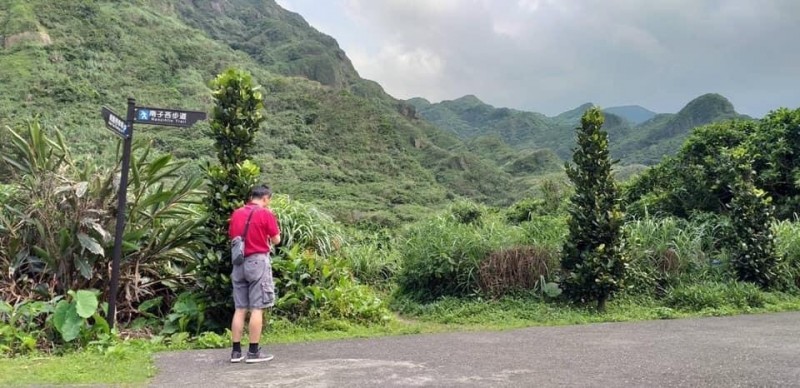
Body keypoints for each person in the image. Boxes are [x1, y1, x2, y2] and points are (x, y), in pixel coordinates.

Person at [227, 185, 281, 363]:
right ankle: (253, 352)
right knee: (257, 307)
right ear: (265, 198)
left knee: (240, 307)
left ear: (251, 197)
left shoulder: (236, 213)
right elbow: (276, 239)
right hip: (258, 262)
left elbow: (233, 236)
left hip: (239, 263)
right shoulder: (266, 213)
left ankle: (236, 352)